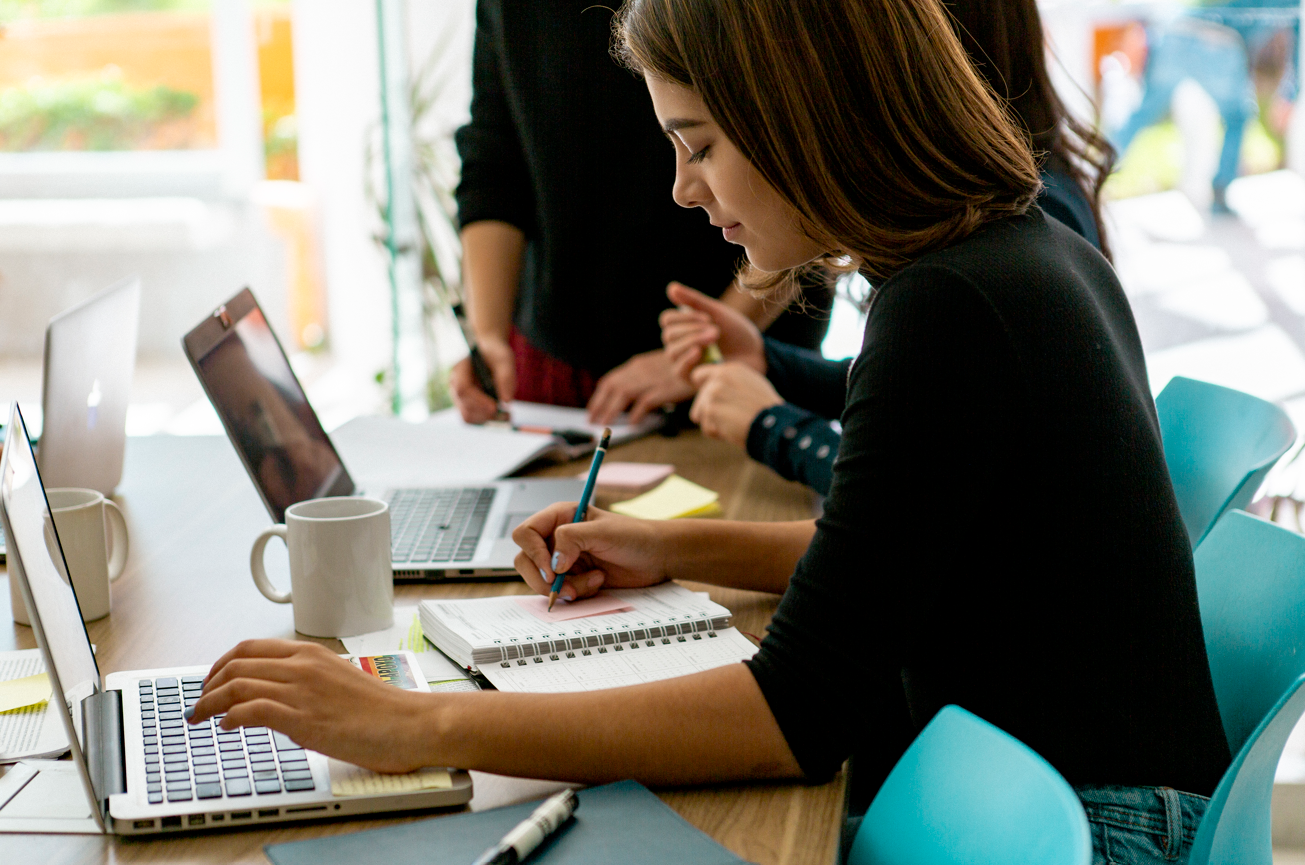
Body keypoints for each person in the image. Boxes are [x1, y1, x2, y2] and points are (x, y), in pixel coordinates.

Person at [189, 3, 1229, 863]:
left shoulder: (951, 310)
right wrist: (672, 545)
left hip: (1090, 827)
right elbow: (905, 554)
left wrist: (419, 726)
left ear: (800, 116)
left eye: (700, 146)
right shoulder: (1017, 249)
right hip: (1067, 788)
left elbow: (799, 708)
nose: (685, 188)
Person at [661, 0, 1120, 495]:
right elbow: (926, 399)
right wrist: (771, 364)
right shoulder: (981, 250)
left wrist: (772, 426)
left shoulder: (972, 269)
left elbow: (902, 498)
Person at [449, 0, 832, 427]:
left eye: (699, 150)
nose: (682, 191)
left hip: (739, 362)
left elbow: (806, 145)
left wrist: (699, 350)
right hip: (561, 357)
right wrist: (487, 335)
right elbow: (493, 163)